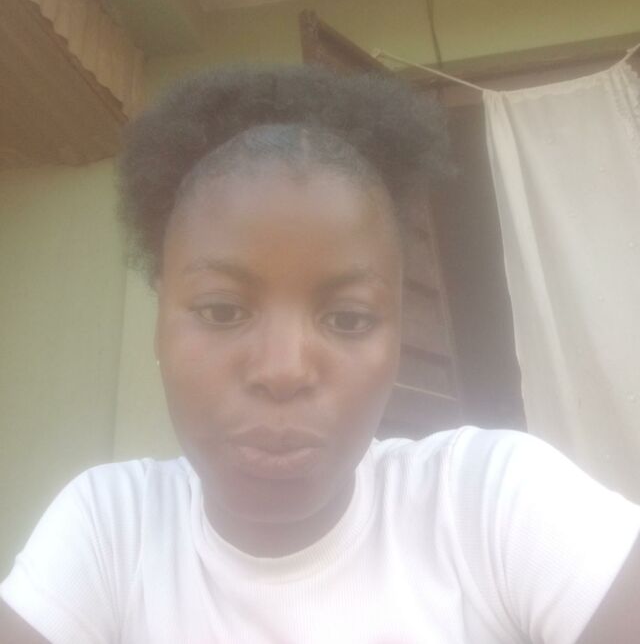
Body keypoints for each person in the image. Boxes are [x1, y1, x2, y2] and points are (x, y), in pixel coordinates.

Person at [1, 65, 639, 643]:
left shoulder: (491, 501)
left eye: (348, 318)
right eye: (222, 311)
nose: (283, 370)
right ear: (161, 320)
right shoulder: (110, 527)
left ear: (397, 336)